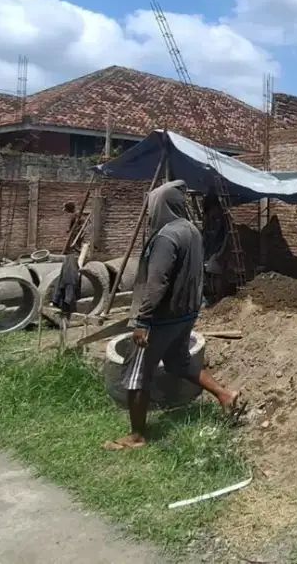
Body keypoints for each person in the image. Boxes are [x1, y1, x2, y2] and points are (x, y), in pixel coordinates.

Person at [103, 179, 240, 451]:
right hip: (185, 313)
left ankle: (137, 435)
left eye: (151, 205)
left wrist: (143, 321)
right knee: (178, 362)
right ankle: (225, 394)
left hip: (160, 318)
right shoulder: (192, 231)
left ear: (160, 206)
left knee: (136, 374)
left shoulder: (166, 237)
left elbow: (157, 282)